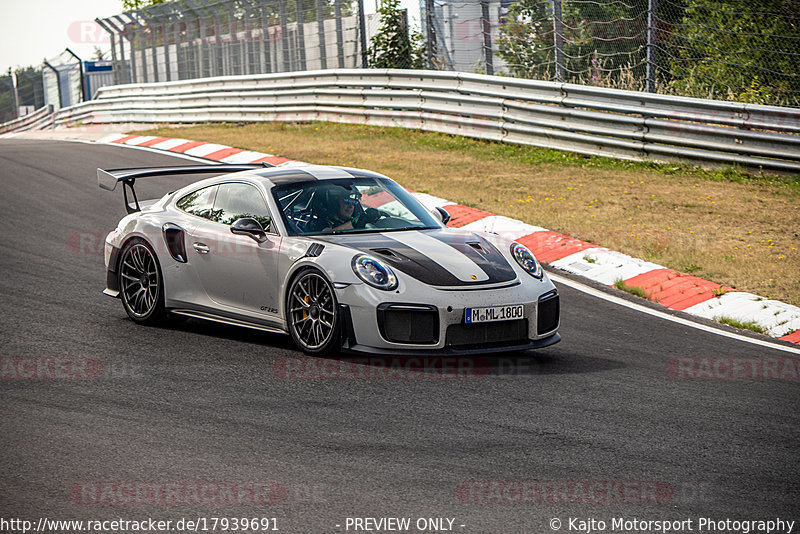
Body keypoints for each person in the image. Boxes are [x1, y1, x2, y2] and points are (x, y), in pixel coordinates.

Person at [307, 184, 383, 233]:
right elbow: (328, 235)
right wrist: (358, 221)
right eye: (347, 201)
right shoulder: (317, 223)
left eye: (354, 203)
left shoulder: (349, 220)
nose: (351, 206)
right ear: (334, 202)